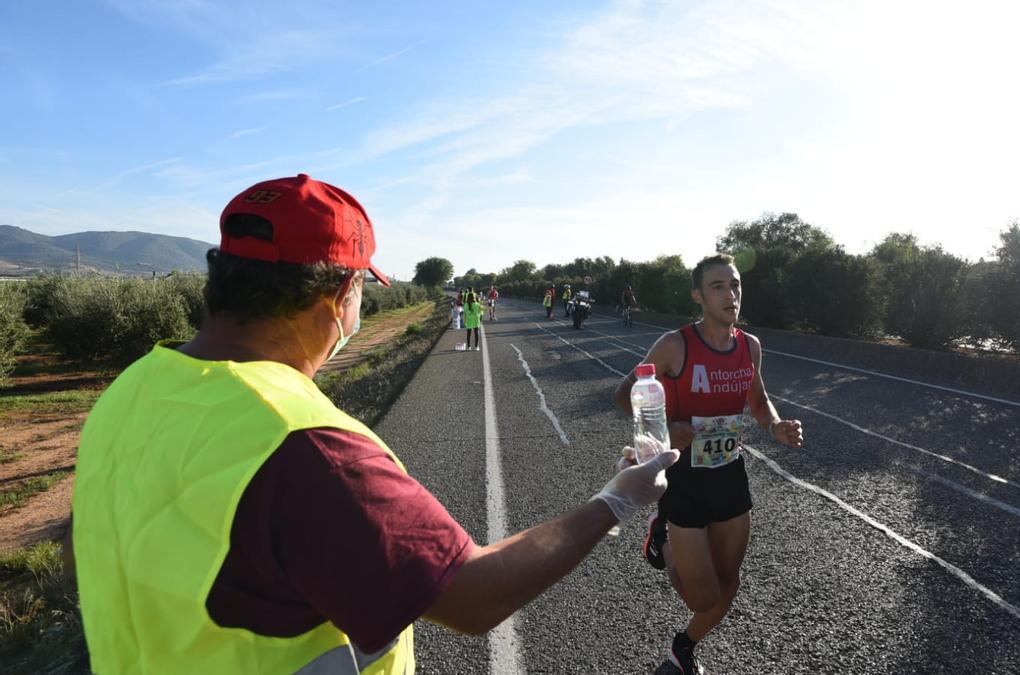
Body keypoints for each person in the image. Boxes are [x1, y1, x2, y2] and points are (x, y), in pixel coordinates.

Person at [70, 173, 680, 674]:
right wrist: (615, 502)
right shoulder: (304, 444)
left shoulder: (131, 391)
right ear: (341, 293)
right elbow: (472, 596)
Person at [614, 254, 803, 675]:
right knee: (701, 597)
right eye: (718, 286)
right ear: (698, 295)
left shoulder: (750, 347)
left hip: (729, 472)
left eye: (735, 285)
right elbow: (623, 395)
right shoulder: (674, 345)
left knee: (729, 583)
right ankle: (661, 535)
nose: (730, 294)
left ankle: (683, 648)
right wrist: (672, 425)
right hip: (683, 477)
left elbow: (758, 400)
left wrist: (775, 427)